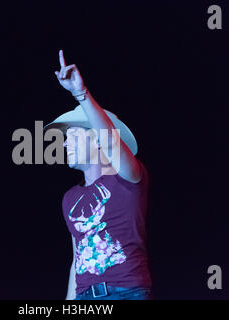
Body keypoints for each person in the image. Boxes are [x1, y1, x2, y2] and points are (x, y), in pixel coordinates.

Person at [43, 50, 152, 300]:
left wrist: (80, 94)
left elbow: (113, 143)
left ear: (98, 140)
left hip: (126, 293)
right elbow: (77, 259)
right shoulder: (69, 198)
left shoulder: (128, 178)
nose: (63, 144)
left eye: (72, 136)